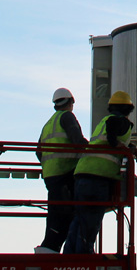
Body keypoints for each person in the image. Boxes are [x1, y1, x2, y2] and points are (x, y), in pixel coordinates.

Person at [63, 91, 135, 254]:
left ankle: (69, 256)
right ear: (128, 109)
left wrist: (127, 147)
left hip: (82, 172)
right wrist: (118, 145)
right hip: (98, 176)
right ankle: (85, 257)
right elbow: (112, 137)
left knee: (80, 217)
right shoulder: (120, 121)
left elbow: (109, 139)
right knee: (92, 218)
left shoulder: (103, 121)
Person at [35, 87, 87, 254]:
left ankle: (48, 248)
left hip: (50, 176)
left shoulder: (48, 124)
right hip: (65, 173)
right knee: (67, 215)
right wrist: (95, 152)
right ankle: (50, 249)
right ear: (71, 102)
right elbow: (77, 141)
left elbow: (38, 151)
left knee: (56, 213)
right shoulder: (67, 117)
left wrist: (48, 165)